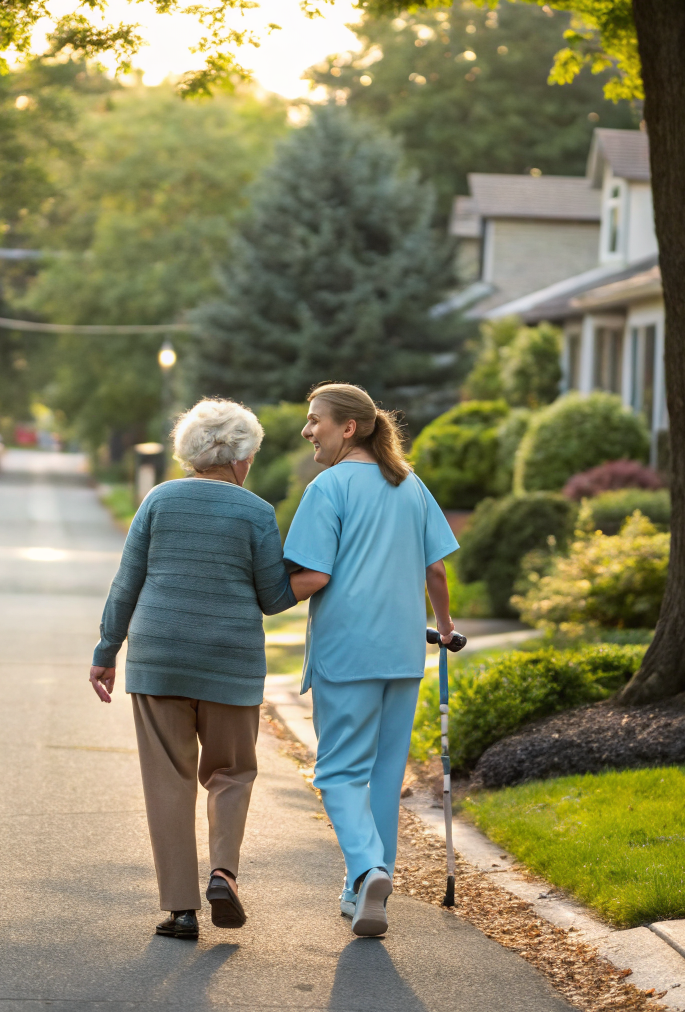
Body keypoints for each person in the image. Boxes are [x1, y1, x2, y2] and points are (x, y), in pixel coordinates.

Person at [89, 399, 296, 941]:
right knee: (231, 773)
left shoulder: (158, 500)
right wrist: (315, 578)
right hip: (230, 663)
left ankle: (181, 911)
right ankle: (223, 873)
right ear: (241, 456)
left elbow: (126, 582)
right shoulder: (256, 512)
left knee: (168, 782)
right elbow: (273, 598)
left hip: (159, 659)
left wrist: (106, 651)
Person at [282, 382, 458, 937]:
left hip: (348, 650)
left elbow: (312, 577)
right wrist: (447, 627)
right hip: (404, 652)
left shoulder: (328, 488)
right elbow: (436, 570)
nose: (308, 430)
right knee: (383, 774)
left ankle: (367, 867)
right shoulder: (410, 485)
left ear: (348, 427)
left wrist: (257, 601)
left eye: (316, 421)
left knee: (337, 772)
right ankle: (364, 891)